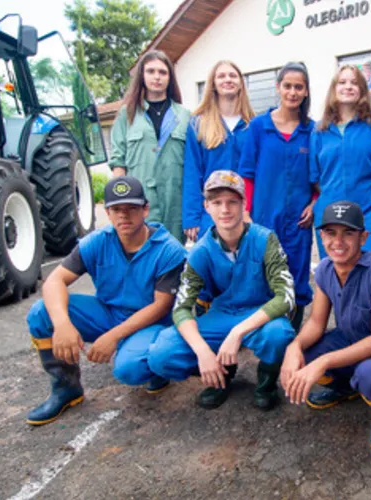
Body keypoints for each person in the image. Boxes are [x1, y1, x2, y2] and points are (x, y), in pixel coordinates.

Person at [25, 176, 187, 426]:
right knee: (41, 313)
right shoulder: (98, 241)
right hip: (108, 313)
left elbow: (160, 306)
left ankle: (155, 368)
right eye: (117, 209)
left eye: (132, 208)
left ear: (145, 209)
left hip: (150, 323)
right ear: (107, 213)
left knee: (128, 370)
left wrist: (113, 337)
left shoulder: (167, 249)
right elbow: (54, 281)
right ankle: (66, 389)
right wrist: (62, 324)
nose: (124, 216)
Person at [146, 170, 296, 411]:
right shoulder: (200, 251)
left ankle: (266, 383)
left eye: (232, 202)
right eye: (216, 202)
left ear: (244, 203)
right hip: (222, 313)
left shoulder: (264, 239)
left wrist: (237, 333)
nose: (225, 209)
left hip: (258, 314)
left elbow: (286, 296)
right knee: (161, 355)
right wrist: (203, 352)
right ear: (206, 206)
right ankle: (219, 374)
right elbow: (182, 307)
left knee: (278, 334)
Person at [280, 201, 371, 451]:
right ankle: (344, 388)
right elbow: (317, 322)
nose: (338, 242)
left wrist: (325, 361)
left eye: (348, 233)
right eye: (331, 232)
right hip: (350, 340)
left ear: (363, 237)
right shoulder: (326, 269)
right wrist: (294, 346)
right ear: (321, 236)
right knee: (304, 355)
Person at [238, 62, 316, 329]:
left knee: (296, 278)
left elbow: (319, 176)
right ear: (278, 88)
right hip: (263, 219)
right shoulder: (259, 127)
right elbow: (247, 174)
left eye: (298, 87)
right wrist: (246, 213)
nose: (292, 92)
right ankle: (267, 341)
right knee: (264, 277)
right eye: (287, 86)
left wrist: (315, 204)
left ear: (306, 92)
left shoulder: (312, 131)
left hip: (298, 223)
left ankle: (290, 340)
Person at [311, 65, 371, 261]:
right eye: (342, 82)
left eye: (354, 83)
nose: (348, 87)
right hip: (330, 217)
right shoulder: (319, 130)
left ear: (363, 90)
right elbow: (315, 178)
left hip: (370, 214)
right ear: (334, 88)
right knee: (336, 280)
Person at [109, 50, 191, 243]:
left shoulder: (185, 116)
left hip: (175, 206)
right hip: (140, 205)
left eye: (163, 72)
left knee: (174, 262)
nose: (157, 77)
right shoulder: (127, 114)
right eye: (151, 71)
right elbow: (119, 163)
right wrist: (120, 203)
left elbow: (193, 165)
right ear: (142, 76)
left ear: (170, 78)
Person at [183, 60, 256, 243]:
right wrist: (192, 217)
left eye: (233, 75)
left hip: (246, 211)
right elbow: (192, 173)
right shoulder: (198, 124)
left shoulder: (254, 125)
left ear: (241, 83)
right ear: (213, 84)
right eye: (221, 76)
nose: (227, 79)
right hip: (212, 213)